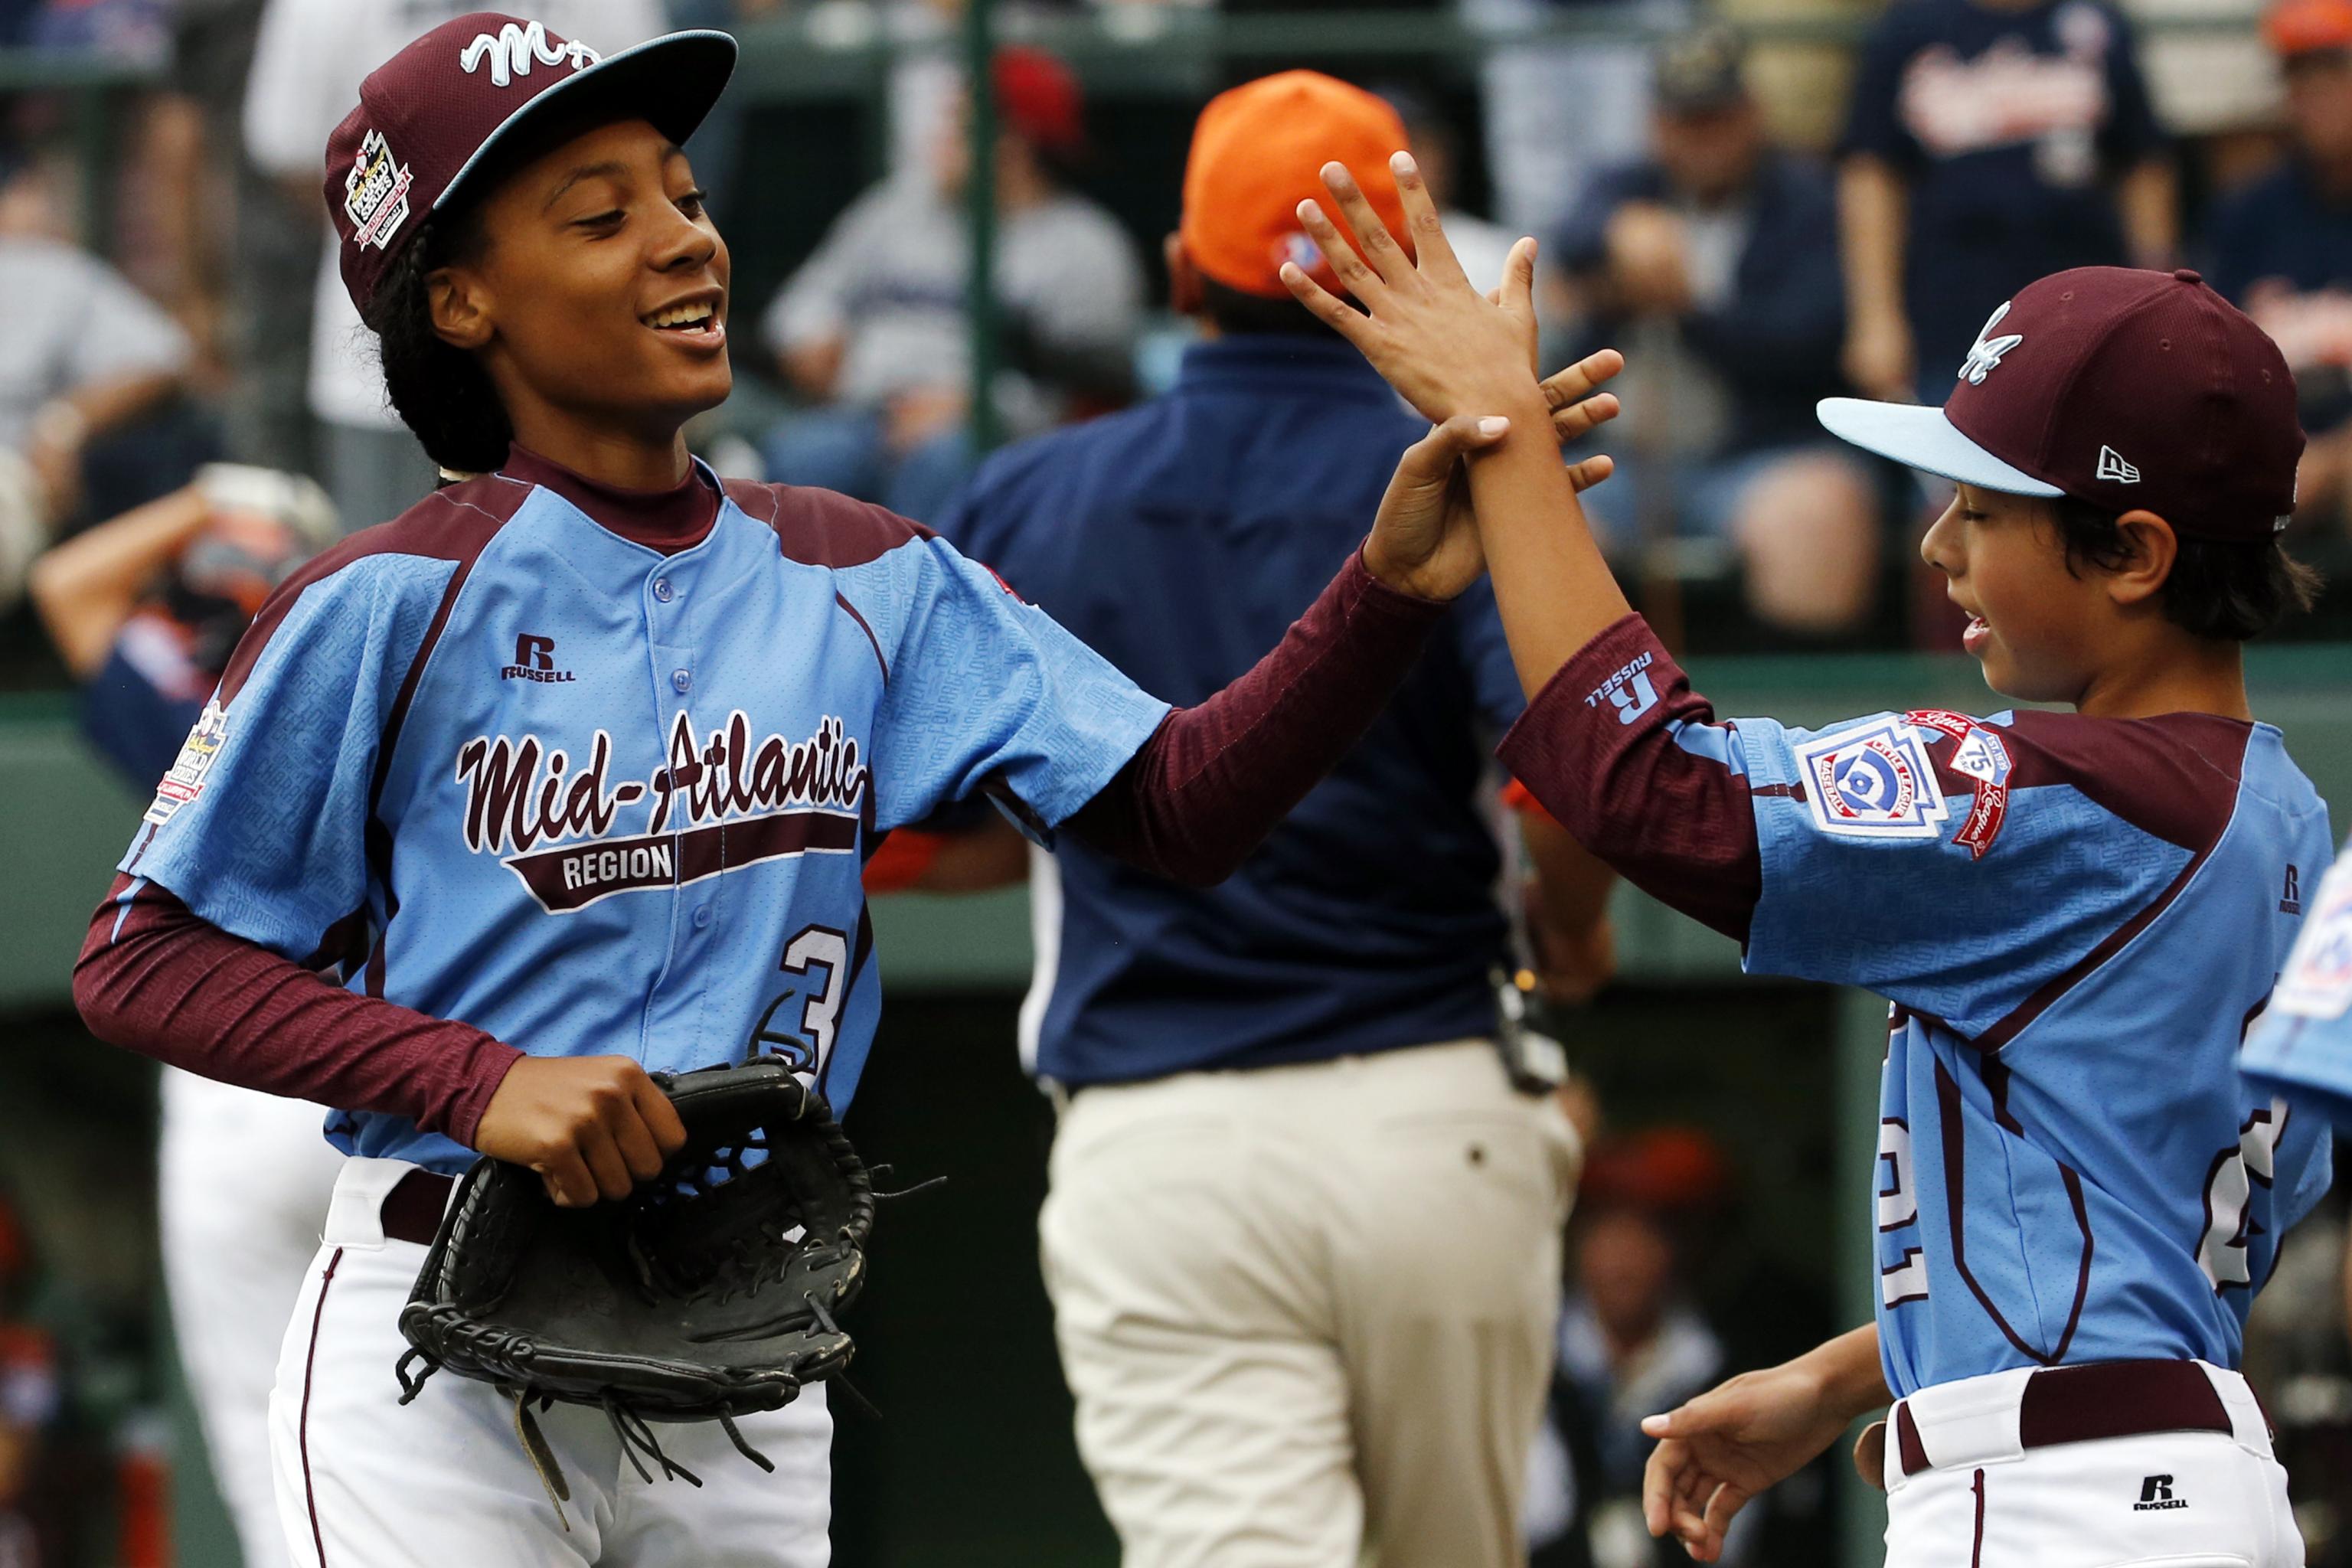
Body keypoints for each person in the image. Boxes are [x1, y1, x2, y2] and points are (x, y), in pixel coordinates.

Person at [67, 17, 1575, 1563]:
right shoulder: (383, 600)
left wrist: (1384, 588)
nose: (683, 245)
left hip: (741, 1346)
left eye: (685, 198)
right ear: (459, 298)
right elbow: (140, 957)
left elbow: (1183, 807)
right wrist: (477, 1080)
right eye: (603, 218)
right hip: (433, 1335)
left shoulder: (867, 570)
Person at [1279, 159, 2331, 1566]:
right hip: (2181, 1475)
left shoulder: (2074, 795)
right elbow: (2136, 1236)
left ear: (2133, 550)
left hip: (2060, 1508)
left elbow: (1658, 792)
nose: (1938, 541)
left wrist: (1504, 437)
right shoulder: (2285, 816)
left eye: (1985, 508)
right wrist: (1853, 1372)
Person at [936, 70, 1616, 1568]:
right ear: (1409, 272)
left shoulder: (1024, 496)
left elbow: (935, 824)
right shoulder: (1484, 469)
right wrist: (1572, 932)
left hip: (1162, 1130)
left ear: (1182, 273)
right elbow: (1570, 767)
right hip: (1432, 1110)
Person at [28, 465, 340, 1568]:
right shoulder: (358, 663)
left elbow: (68, 584)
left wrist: (204, 500)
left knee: (276, 1480)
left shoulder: (184, 698)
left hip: (233, 1068)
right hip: (382, 1062)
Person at [241, 0, 663, 535]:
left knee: (589, 575)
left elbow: (639, 130)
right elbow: (292, 156)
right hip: (381, 364)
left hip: (586, 353)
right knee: (398, 587)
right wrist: (424, 245)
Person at [1554, 26, 1880, 637]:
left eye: (1717, 118)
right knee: (1532, 524)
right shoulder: (1627, 185)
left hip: (1763, 453)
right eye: (1684, 121)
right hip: (1620, 461)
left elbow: (1809, 339)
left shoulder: (1807, 198)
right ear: (1656, 123)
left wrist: (1689, 309)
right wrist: (1616, 239)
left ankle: (1795, 716)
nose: (1702, 137)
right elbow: (1570, 237)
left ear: (1752, 114)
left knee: (1817, 517)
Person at [757, 45, 1144, 522]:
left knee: (942, 465)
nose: (938, 140)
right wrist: (811, 339)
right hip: (865, 413)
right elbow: (807, 297)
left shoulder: (1084, 246)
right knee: (803, 456)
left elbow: (1087, 394)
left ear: (1012, 142)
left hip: (990, 433)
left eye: (957, 126)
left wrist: (978, 405)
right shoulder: (900, 206)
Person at [1838, 0, 2175, 405]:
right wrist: (1875, 315)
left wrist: (2158, 292)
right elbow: (1871, 175)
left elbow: (2143, 166)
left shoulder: (2094, 21)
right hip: (1951, 306)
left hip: (2081, 305)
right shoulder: (1910, 26)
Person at [2207, 0, 2352, 533]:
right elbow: (2215, 363)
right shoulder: (2249, 212)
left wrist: (2336, 458)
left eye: (2333, 71)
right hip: (2275, 449)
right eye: (2299, 76)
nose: (2315, 96)